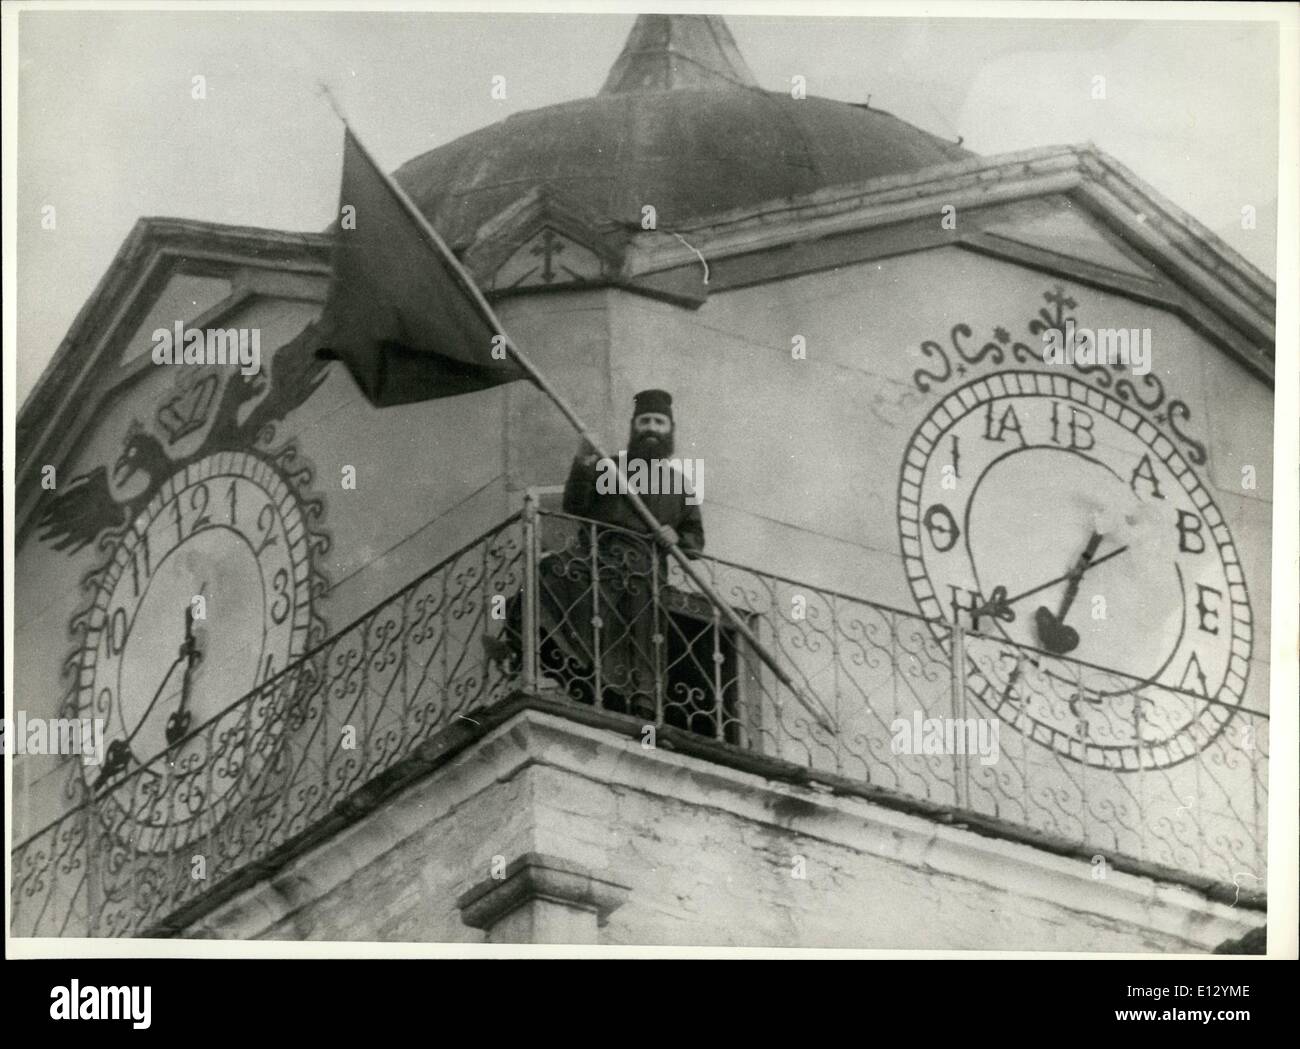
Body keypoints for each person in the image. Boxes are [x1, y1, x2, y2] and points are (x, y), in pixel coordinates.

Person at [522, 390, 705, 718]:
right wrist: (582, 461)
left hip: (646, 574)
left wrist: (675, 535)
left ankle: (640, 711)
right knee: (552, 573)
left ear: (670, 430)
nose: (651, 428)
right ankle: (533, 651)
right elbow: (575, 505)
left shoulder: (679, 485)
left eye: (658, 422)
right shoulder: (612, 468)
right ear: (634, 427)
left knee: (639, 644)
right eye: (644, 421)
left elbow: (695, 542)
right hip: (601, 560)